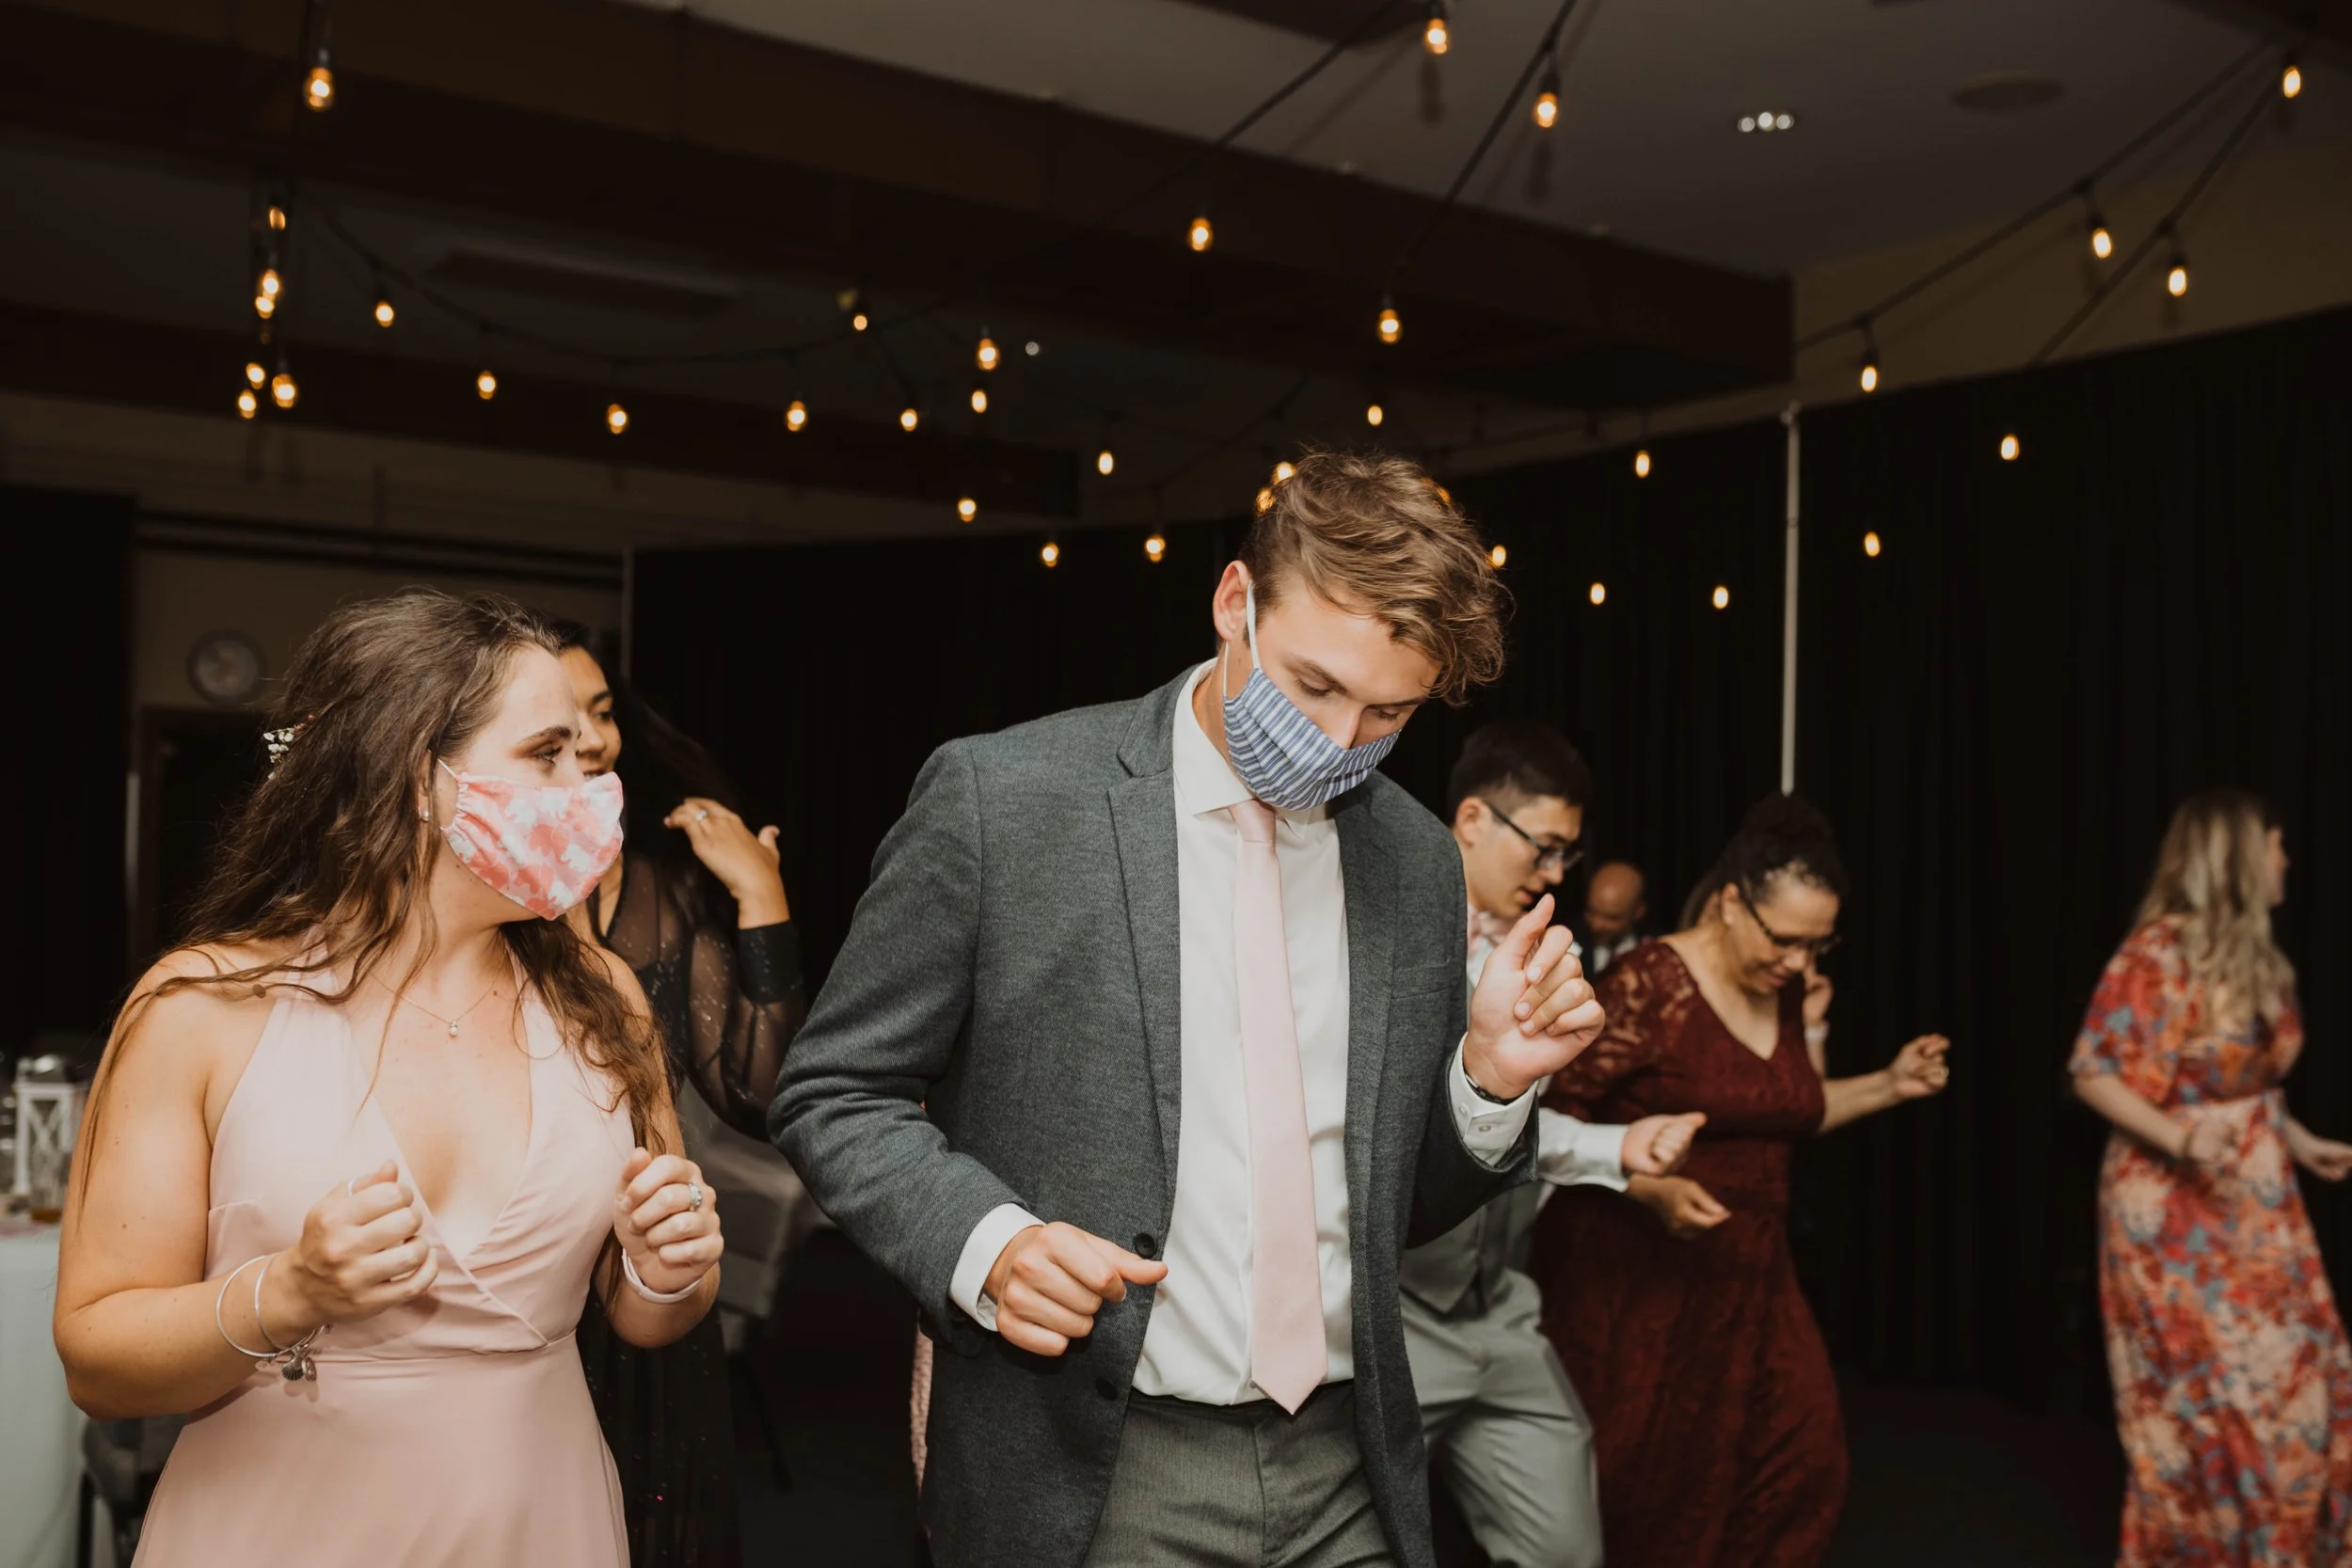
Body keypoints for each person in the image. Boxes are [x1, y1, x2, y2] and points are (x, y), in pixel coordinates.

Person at [772, 450, 1608, 1568]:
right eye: (1312, 685)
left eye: (1387, 711)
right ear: (1234, 603)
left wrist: (1490, 1081)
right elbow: (834, 1089)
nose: (1338, 738)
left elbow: (1389, 1205)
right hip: (1104, 1456)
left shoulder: (1413, 859)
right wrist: (989, 1242)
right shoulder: (1006, 802)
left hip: (1348, 1461)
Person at [52, 589, 726, 1568]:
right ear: (418, 776)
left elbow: (645, 1311)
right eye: (546, 754)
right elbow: (97, 1358)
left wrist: (672, 1270)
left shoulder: (604, 997)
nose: (589, 785)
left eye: (587, 754)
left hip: (541, 1521)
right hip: (279, 1527)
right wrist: (285, 1291)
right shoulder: (201, 1005)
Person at [1528, 793, 1951, 1568]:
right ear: (1730, 902)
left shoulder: (1788, 989)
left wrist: (1890, 1083)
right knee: (1650, 1493)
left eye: (1818, 945)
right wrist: (1645, 1187)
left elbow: (1790, 1110)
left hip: (1755, 1275)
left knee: (1800, 1466)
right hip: (1643, 1280)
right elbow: (1545, 1130)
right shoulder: (1646, 983)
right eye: (1786, 940)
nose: (1799, 963)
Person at [1405, 721, 1703, 1568]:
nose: (1555, 873)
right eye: (1545, 846)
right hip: (1393, 1320)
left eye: (1568, 854)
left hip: (1500, 1308)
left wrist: (1621, 1150)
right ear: (1470, 820)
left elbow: (1505, 1127)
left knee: (1568, 1548)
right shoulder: (1383, 945)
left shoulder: (1528, 955)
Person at [554, 627, 808, 1568]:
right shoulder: (474, 896)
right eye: (560, 718)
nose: (590, 737)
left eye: (603, 710)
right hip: (504, 1286)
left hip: (644, 1285)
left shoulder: (663, 892)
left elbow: (762, 1094)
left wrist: (760, 894)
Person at [2069, 790, 2352, 1566]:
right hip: (2171, 1220)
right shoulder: (2158, 953)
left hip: (2260, 1209)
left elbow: (2250, 1084)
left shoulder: (2261, 958)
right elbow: (2093, 1070)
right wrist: (2182, 1136)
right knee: (2218, 1408)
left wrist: (2299, 1139)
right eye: (2275, 843)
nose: (2286, 858)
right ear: (2234, 856)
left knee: (2304, 1387)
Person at [1581, 862, 1650, 974]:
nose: (1596, 925)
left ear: (1638, 912)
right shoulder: (1568, 940)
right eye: (1591, 912)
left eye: (1611, 918)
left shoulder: (1655, 947)